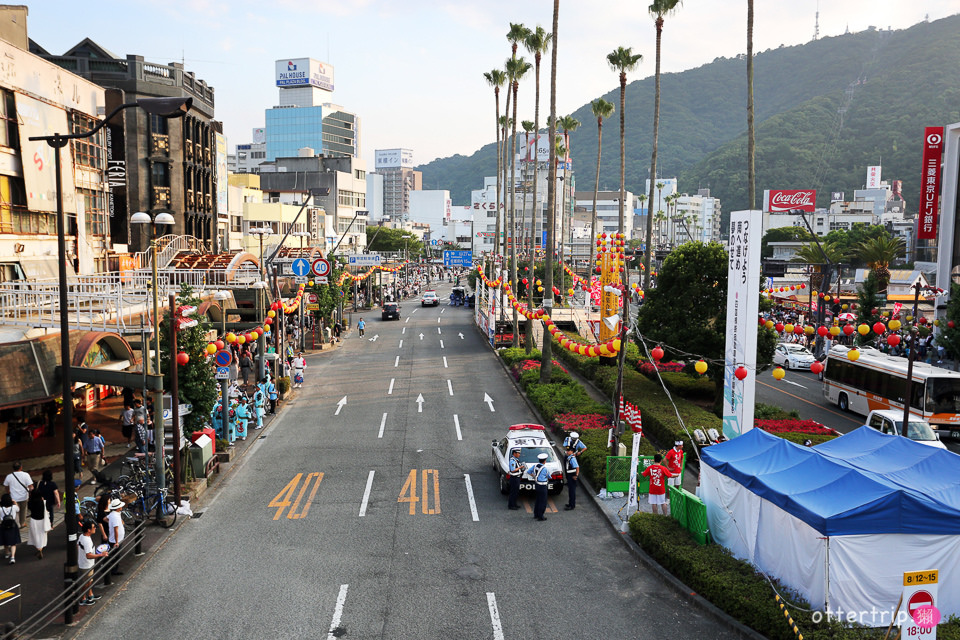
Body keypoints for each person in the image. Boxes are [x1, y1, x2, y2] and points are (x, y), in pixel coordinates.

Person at [77, 520, 107, 606]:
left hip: (84, 563)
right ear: (89, 530)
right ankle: (83, 599)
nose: (95, 528)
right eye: (94, 527)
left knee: (89, 580)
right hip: (87, 564)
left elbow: (78, 545)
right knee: (87, 582)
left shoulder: (82, 536)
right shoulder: (87, 541)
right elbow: (89, 555)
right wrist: (101, 554)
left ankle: (90, 595)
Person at [3, 462, 33, 527]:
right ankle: (22, 523)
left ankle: (17, 524)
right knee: (23, 510)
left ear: (13, 468)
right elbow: (30, 486)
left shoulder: (9, 476)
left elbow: (6, 485)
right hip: (24, 497)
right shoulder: (26, 475)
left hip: (14, 498)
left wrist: (8, 492)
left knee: (16, 511)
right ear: (21, 467)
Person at [26, 489, 48, 559]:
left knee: (35, 535)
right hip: (42, 521)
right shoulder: (43, 502)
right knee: (42, 535)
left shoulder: (30, 502)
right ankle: (40, 549)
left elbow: (29, 508)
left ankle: (39, 549)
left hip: (34, 520)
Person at [106, 498, 125, 575]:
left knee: (114, 554)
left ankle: (112, 569)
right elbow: (116, 530)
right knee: (116, 556)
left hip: (114, 539)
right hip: (116, 540)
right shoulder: (115, 517)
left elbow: (105, 519)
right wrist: (117, 542)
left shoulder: (113, 514)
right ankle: (113, 570)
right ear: (117, 508)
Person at [0, 494, 20, 563]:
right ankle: (12, 557)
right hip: (13, 525)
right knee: (13, 542)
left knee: (5, 540)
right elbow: (18, 509)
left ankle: (7, 553)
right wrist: (14, 502)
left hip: (3, 525)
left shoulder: (0, 509)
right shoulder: (14, 507)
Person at [531, 453, 550, 521]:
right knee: (543, 501)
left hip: (537, 484)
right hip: (543, 485)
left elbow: (528, 471)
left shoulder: (535, 466)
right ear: (545, 461)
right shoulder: (545, 469)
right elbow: (549, 476)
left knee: (538, 500)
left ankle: (536, 514)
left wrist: (534, 476)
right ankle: (540, 516)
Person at [563, 446, 580, 511]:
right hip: (570, 476)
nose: (567, 452)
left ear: (572, 451)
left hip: (572, 476)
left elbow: (577, 467)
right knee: (570, 491)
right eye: (567, 450)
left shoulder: (572, 458)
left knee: (572, 491)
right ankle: (570, 503)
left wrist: (576, 475)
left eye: (569, 451)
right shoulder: (569, 457)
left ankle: (572, 505)